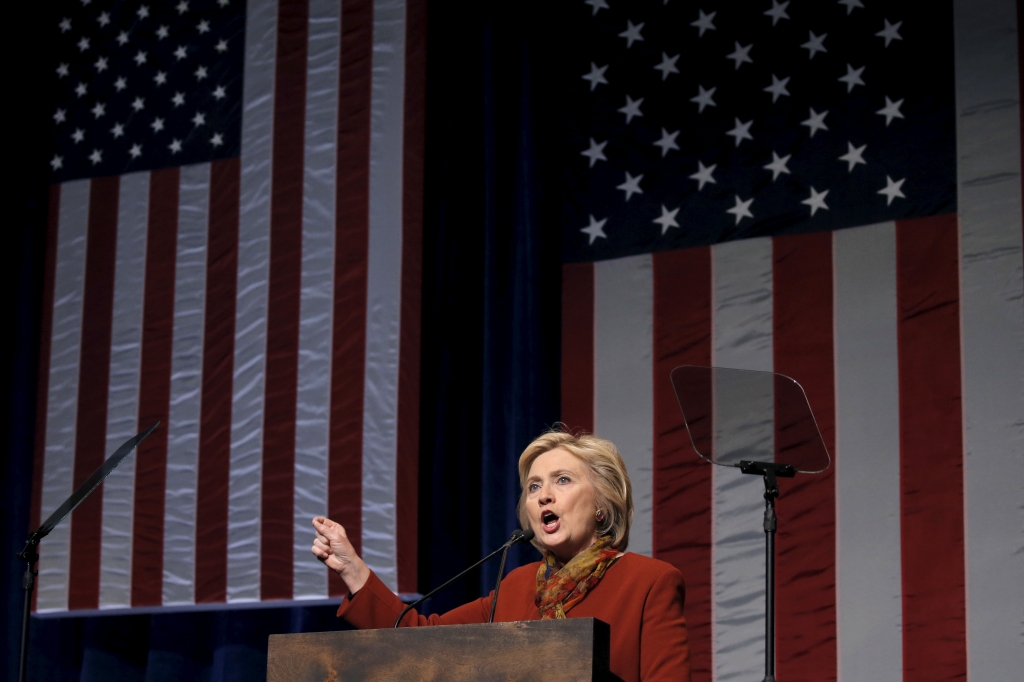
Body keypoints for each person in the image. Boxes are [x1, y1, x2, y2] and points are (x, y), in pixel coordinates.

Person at [311, 430, 692, 682]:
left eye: (563, 480)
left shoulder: (649, 582)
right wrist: (353, 570)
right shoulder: (516, 586)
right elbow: (419, 641)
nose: (543, 495)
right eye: (533, 486)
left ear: (602, 505)